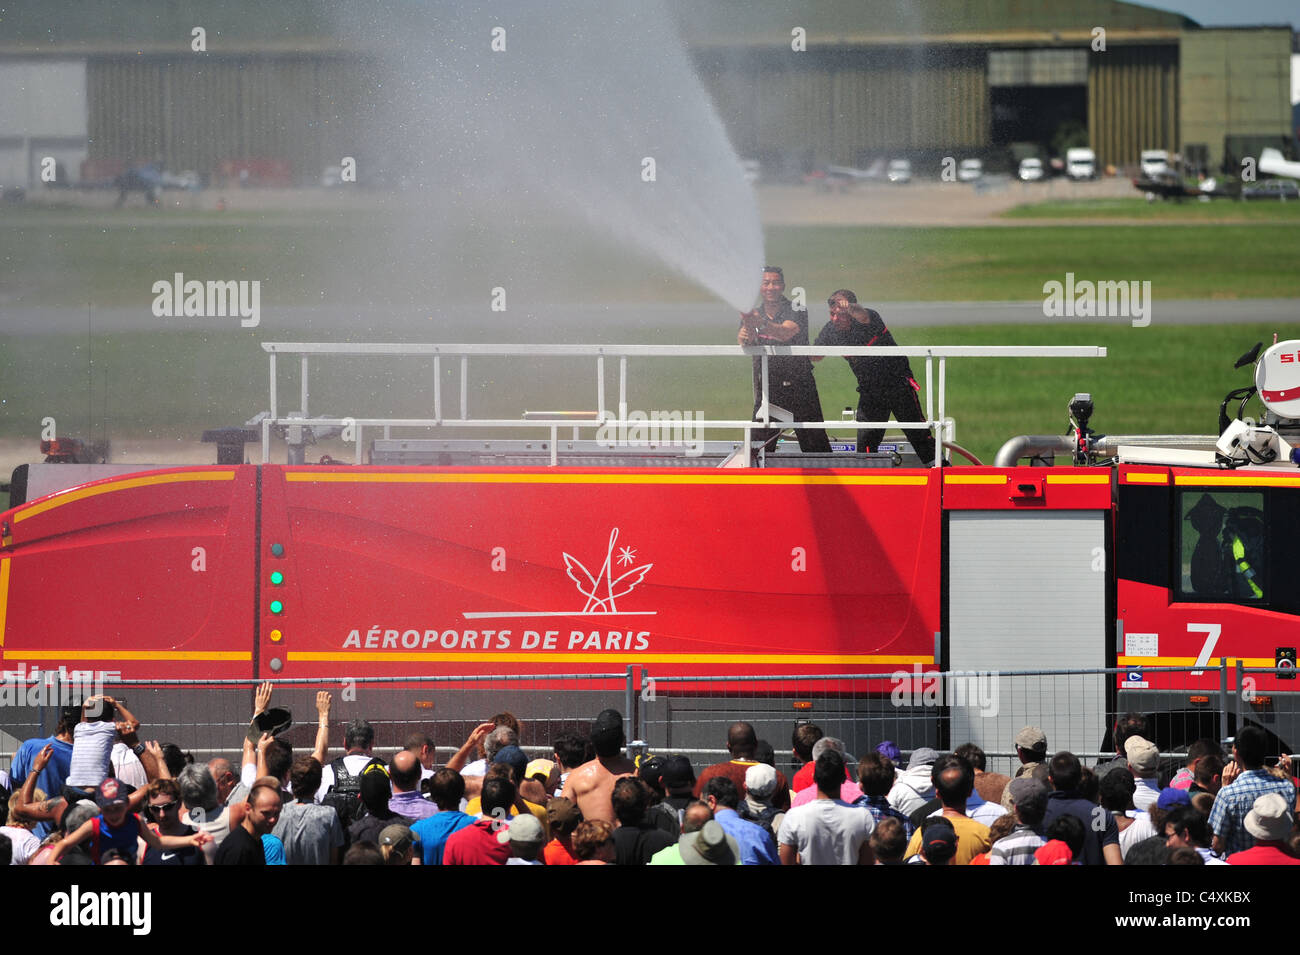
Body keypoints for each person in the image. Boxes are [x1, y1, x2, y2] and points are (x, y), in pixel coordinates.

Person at [812, 291, 936, 464]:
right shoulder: (831, 330)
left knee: (918, 433)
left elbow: (862, 315)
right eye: (832, 314)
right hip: (870, 391)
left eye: (840, 315)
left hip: (898, 385)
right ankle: (868, 476)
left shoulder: (870, 318)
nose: (834, 319)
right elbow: (815, 355)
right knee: (866, 444)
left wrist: (850, 308)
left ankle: (941, 471)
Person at [737, 266, 831, 455]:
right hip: (768, 388)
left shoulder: (796, 309)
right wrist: (746, 332)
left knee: (815, 446)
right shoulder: (754, 314)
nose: (771, 287)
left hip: (800, 385)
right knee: (758, 448)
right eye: (766, 283)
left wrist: (761, 324)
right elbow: (745, 340)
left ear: (783, 286)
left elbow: (786, 332)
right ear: (760, 287)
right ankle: (757, 483)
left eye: (776, 282)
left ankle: (825, 481)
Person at [1209, 725, 1297, 856]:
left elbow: (1216, 844)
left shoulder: (1228, 794)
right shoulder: (1287, 788)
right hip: (1279, 859)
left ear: (1236, 753)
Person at [777, 750, 874, 865]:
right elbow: (867, 860)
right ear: (844, 778)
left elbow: (786, 861)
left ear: (814, 777)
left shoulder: (794, 817)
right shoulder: (862, 817)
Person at [695, 722, 791, 812]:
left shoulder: (710, 774)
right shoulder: (776, 777)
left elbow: (698, 808)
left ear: (728, 746)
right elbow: (783, 814)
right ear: (756, 745)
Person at [561, 709, 636, 824]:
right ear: (623, 740)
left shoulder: (577, 777)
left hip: (593, 839)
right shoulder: (635, 772)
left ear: (592, 742)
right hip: (630, 840)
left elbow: (560, 814)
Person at [214, 780, 281, 865]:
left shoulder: (255, 840)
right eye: (266, 813)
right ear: (248, 808)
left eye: (276, 813)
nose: (273, 819)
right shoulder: (239, 849)